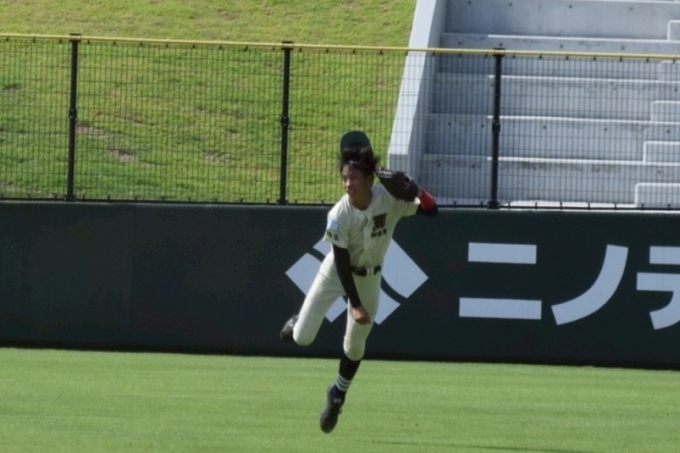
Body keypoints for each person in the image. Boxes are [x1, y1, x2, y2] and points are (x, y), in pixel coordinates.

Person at [280, 130, 438, 433]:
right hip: (335, 273)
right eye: (344, 178)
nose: (348, 184)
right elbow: (340, 261)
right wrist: (354, 304)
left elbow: (432, 209)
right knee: (302, 338)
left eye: (353, 177)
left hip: (370, 276)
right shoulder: (339, 214)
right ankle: (298, 321)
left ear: (369, 178)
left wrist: (413, 187)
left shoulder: (388, 199)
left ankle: (337, 394)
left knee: (355, 346)